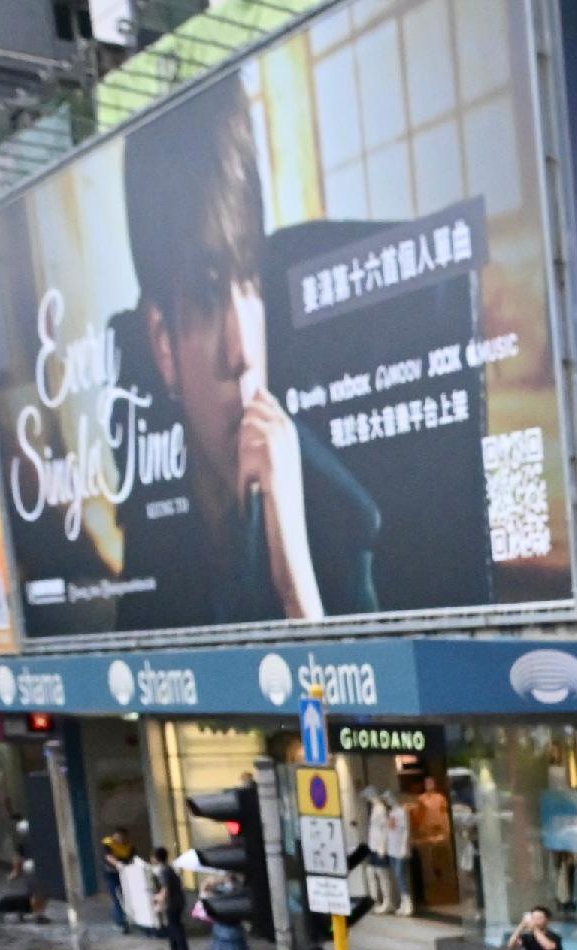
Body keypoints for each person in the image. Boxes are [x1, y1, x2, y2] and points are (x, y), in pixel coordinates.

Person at [115, 78, 368, 622]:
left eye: (251, 281)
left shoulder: (339, 509)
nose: (244, 352)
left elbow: (364, 703)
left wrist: (289, 552)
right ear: (163, 343)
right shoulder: (157, 514)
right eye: (207, 297)